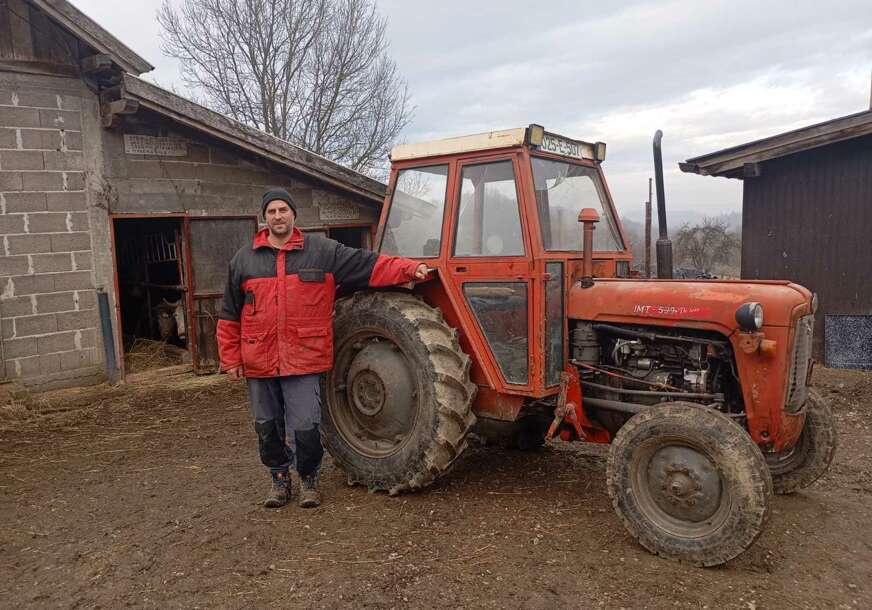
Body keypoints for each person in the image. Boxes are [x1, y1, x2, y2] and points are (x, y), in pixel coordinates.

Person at [217, 187, 428, 509]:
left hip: (303, 357)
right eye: (272, 211)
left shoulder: (322, 251)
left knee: (306, 427)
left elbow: (368, 265)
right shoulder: (244, 259)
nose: (278, 216)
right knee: (266, 427)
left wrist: (408, 269)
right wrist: (230, 359)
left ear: (293, 215)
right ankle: (278, 480)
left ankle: (308, 480)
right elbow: (230, 314)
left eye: (283, 210)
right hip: (260, 358)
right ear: (264, 217)